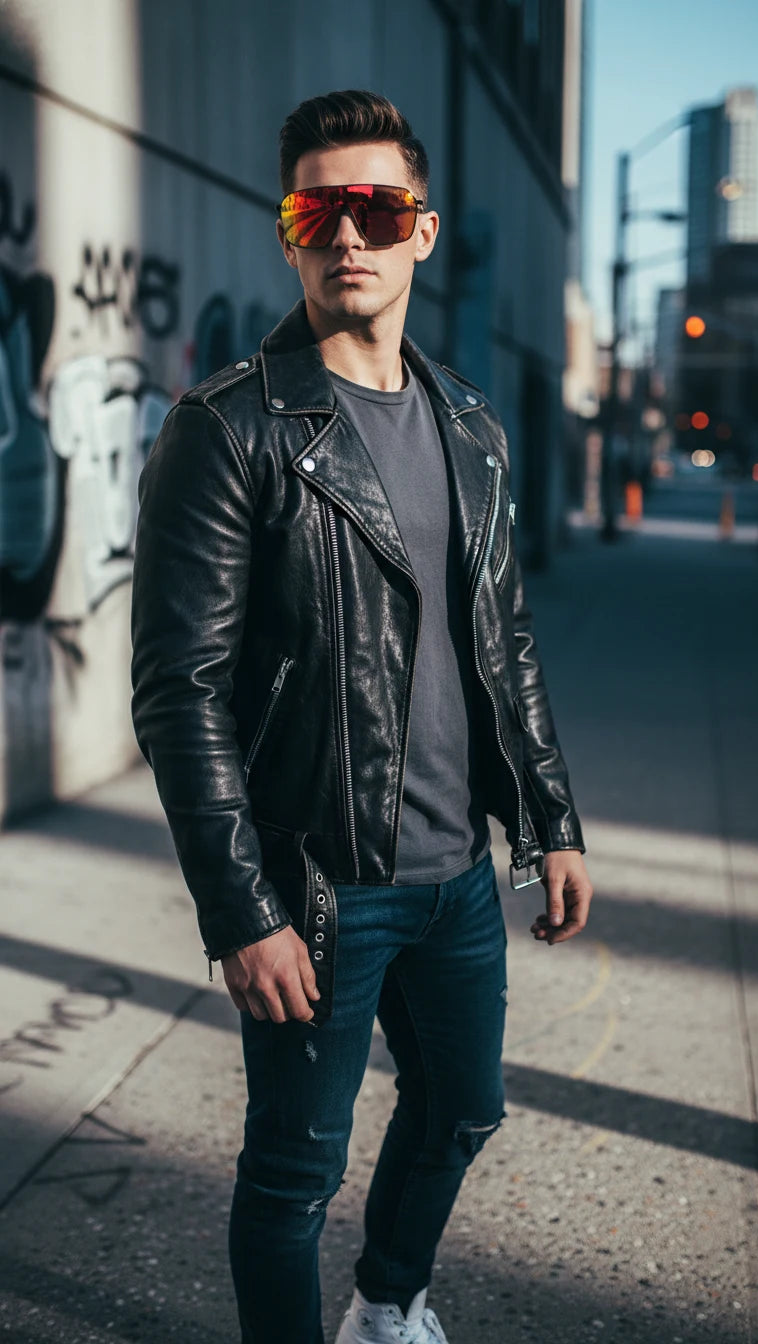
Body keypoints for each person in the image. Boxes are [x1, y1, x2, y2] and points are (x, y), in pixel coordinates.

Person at [130, 89, 593, 1344]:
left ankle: (387, 1303)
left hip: (454, 881)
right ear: (288, 231)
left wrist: (550, 816)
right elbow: (181, 691)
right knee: (293, 1178)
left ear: (421, 233)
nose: (349, 232)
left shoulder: (473, 427)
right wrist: (243, 912)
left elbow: (506, 641)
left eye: (376, 207)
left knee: (463, 1109)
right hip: (318, 884)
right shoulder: (228, 429)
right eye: (318, 208)